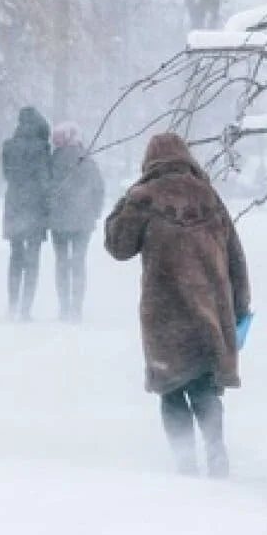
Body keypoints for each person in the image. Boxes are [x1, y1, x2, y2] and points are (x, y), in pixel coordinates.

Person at [105, 133, 251, 478]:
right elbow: (236, 258)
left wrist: (123, 202)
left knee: (171, 388)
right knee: (204, 384)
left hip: (164, 315)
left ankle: (185, 462)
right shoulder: (209, 197)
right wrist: (240, 306)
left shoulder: (143, 198)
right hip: (210, 310)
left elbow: (118, 246)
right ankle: (216, 452)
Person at [49, 124, 105, 322]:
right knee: (79, 263)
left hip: (58, 221)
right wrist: (95, 211)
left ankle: (63, 307)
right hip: (83, 220)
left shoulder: (53, 160)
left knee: (62, 263)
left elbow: (46, 187)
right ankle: (76, 308)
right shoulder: (87, 160)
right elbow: (98, 188)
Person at [1, 106, 52, 322]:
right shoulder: (41, 148)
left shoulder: (9, 146)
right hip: (34, 207)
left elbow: (6, 174)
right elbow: (44, 180)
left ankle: (12, 304)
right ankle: (25, 309)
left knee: (15, 256)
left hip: (13, 204)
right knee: (32, 259)